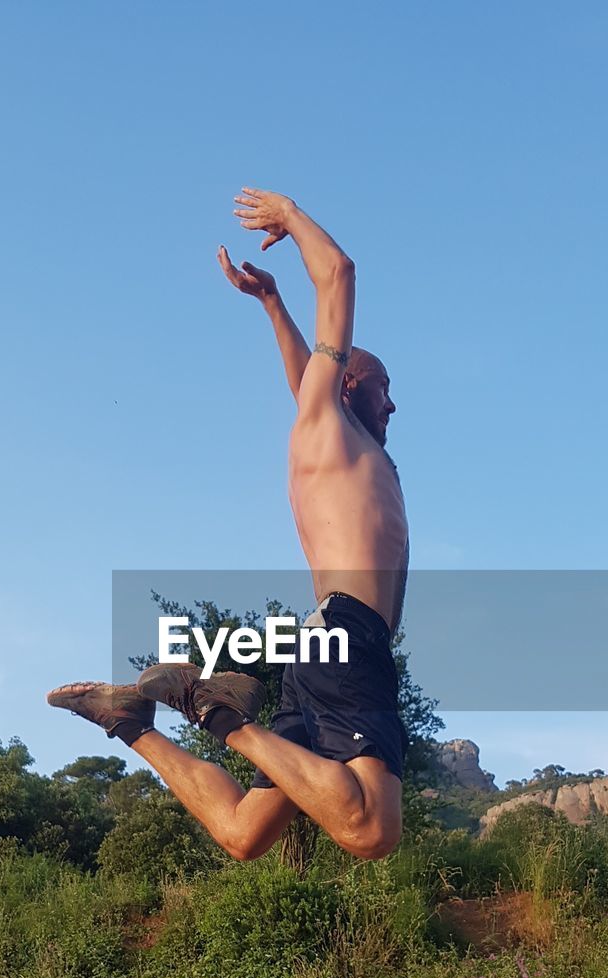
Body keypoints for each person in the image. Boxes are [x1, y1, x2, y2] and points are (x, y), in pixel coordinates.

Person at [48, 189, 409, 861]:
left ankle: (129, 723)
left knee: (244, 831)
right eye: (386, 385)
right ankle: (213, 710)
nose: (398, 402)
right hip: (349, 633)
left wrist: (273, 305)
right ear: (350, 385)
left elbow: (305, 378)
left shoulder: (332, 440)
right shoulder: (331, 430)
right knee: (370, 830)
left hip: (323, 643)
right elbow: (339, 274)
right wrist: (293, 216)